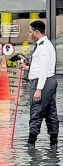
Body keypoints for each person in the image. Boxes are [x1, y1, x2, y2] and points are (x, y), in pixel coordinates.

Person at [20, 20, 59, 150]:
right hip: (46, 80)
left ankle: (31, 143)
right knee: (49, 111)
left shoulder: (43, 47)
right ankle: (53, 143)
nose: (29, 34)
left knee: (36, 111)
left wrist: (38, 89)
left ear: (37, 32)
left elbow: (43, 70)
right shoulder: (44, 45)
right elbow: (41, 66)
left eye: (30, 32)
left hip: (43, 82)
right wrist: (28, 68)